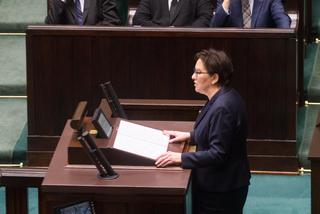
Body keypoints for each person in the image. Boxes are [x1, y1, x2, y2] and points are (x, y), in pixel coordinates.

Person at [155, 49, 251, 214]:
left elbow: (218, 154)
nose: (193, 77)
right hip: (222, 184)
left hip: (222, 191)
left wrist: (180, 157)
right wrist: (190, 136)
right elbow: (215, 132)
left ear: (214, 78)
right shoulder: (223, 96)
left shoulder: (223, 107)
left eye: (198, 73)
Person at [210, 0, 291, 28]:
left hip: (263, 52)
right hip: (232, 53)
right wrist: (227, 2)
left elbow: (283, 20)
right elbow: (213, 27)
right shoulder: (225, 1)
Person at [132, 0, 213, 27]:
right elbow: (139, 19)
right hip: (155, 45)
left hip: (188, 46)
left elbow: (206, 18)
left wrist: (183, 33)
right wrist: (163, 32)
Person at [45, 0, 121, 26]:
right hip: (68, 51)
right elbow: (50, 26)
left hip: (97, 49)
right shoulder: (58, 2)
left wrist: (88, 33)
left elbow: (112, 21)